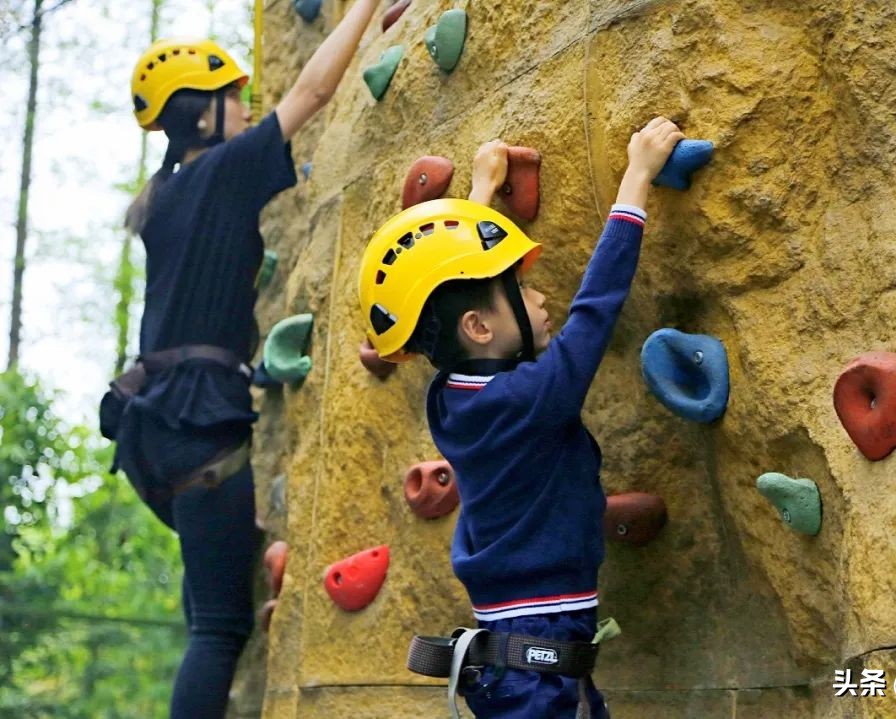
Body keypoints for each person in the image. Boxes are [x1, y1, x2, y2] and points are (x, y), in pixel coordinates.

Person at [102, 3, 380, 716]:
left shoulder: (160, 197)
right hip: (200, 427)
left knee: (208, 617)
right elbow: (312, 92)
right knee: (221, 628)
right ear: (199, 116)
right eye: (232, 97)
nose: (244, 106)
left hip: (154, 428)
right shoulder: (220, 175)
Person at [358, 118, 685, 718]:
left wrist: (480, 195)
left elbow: (447, 288)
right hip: (539, 668)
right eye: (518, 289)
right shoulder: (529, 399)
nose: (539, 297)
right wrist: (637, 177)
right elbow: (595, 311)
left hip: (521, 657)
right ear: (479, 327)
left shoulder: (448, 399)